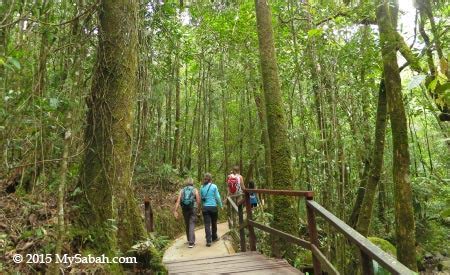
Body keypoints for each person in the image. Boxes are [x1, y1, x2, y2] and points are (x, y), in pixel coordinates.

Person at [173, 178, 200, 248]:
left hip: (184, 209)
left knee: (187, 223)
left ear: (186, 183)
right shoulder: (195, 189)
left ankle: (189, 239)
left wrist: (175, 210)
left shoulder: (182, 190)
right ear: (192, 183)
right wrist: (198, 209)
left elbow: (178, 201)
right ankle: (191, 242)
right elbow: (198, 200)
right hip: (192, 208)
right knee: (191, 224)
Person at [200, 173, 222, 247]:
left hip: (205, 208)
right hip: (213, 207)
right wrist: (221, 205)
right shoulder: (214, 186)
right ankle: (214, 237)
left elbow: (202, 199)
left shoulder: (202, 187)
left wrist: (203, 206)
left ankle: (208, 241)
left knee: (207, 224)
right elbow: (218, 197)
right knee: (214, 223)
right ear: (211, 179)